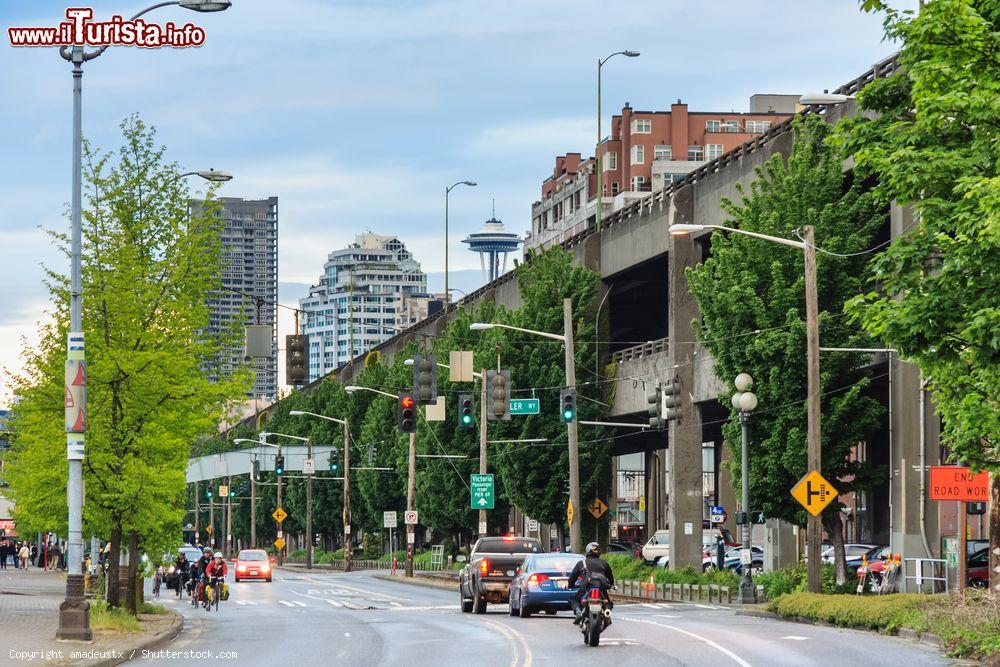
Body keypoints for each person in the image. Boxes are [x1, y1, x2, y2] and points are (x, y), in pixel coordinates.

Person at [568, 542, 615, 625]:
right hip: (601, 588)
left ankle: (578, 613)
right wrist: (610, 585)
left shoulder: (581, 563)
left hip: (585, 587)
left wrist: (570, 585)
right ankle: (607, 614)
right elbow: (611, 579)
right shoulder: (604, 564)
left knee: (574, 599)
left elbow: (572, 578)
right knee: (607, 602)